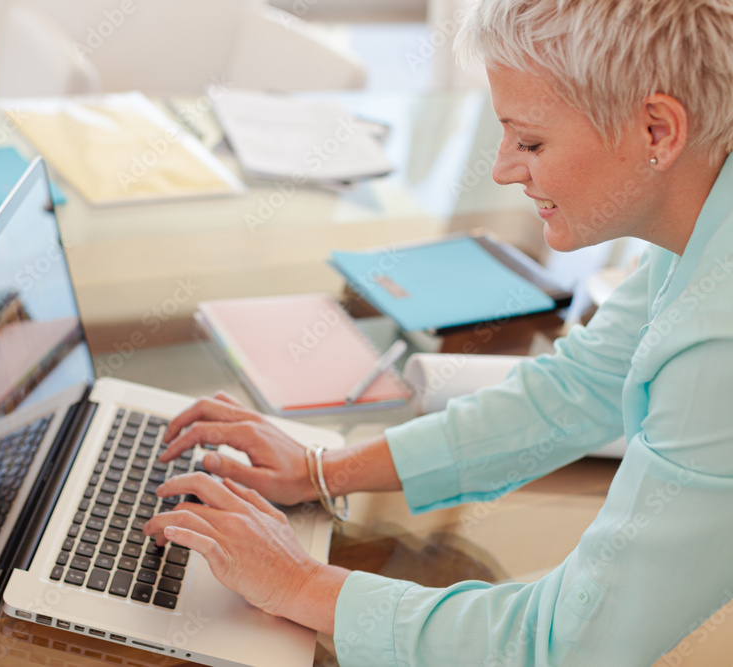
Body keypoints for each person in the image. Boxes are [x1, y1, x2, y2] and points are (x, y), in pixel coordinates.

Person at [143, 0, 733, 663]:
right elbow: (574, 387)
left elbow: (570, 643)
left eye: (531, 141)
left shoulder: (719, 346)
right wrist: (323, 468)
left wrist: (300, 581)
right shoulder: (701, 212)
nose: (504, 168)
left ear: (657, 130)